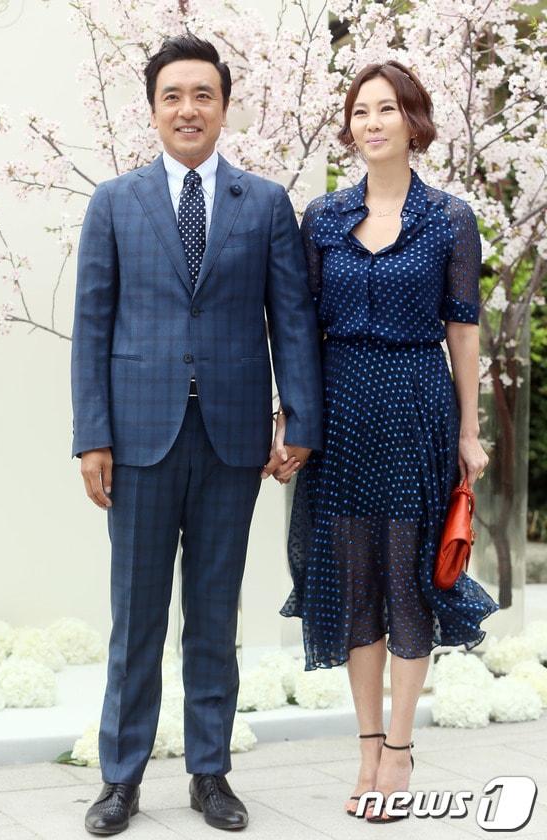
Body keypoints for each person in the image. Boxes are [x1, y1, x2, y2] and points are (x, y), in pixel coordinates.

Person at [71, 33, 322, 836]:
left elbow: (291, 320)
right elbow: (92, 325)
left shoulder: (266, 204)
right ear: (153, 109)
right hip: (138, 441)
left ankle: (210, 774)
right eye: (173, 96)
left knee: (215, 614)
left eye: (202, 95)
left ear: (224, 107)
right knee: (136, 616)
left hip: (231, 441)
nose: (188, 108)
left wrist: (299, 419)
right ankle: (121, 780)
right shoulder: (114, 203)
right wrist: (92, 435)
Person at [275, 59, 500, 823]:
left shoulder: (450, 218)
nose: (371, 123)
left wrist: (470, 430)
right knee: (354, 582)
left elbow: (462, 331)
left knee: (407, 578)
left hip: (415, 408)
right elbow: (299, 330)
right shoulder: (323, 216)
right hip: (341, 414)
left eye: (386, 109)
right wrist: (292, 417)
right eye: (360, 111)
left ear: (413, 121)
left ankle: (399, 750)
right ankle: (366, 746)